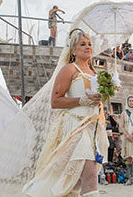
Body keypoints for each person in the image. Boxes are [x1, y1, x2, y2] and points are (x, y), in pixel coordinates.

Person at [24, 29, 109, 197]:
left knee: (76, 179)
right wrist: (81, 101)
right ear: (73, 50)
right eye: (82, 44)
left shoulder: (95, 73)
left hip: (92, 127)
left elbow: (96, 103)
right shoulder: (69, 69)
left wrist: (104, 95)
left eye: (90, 44)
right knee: (90, 173)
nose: (87, 47)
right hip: (75, 125)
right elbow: (55, 101)